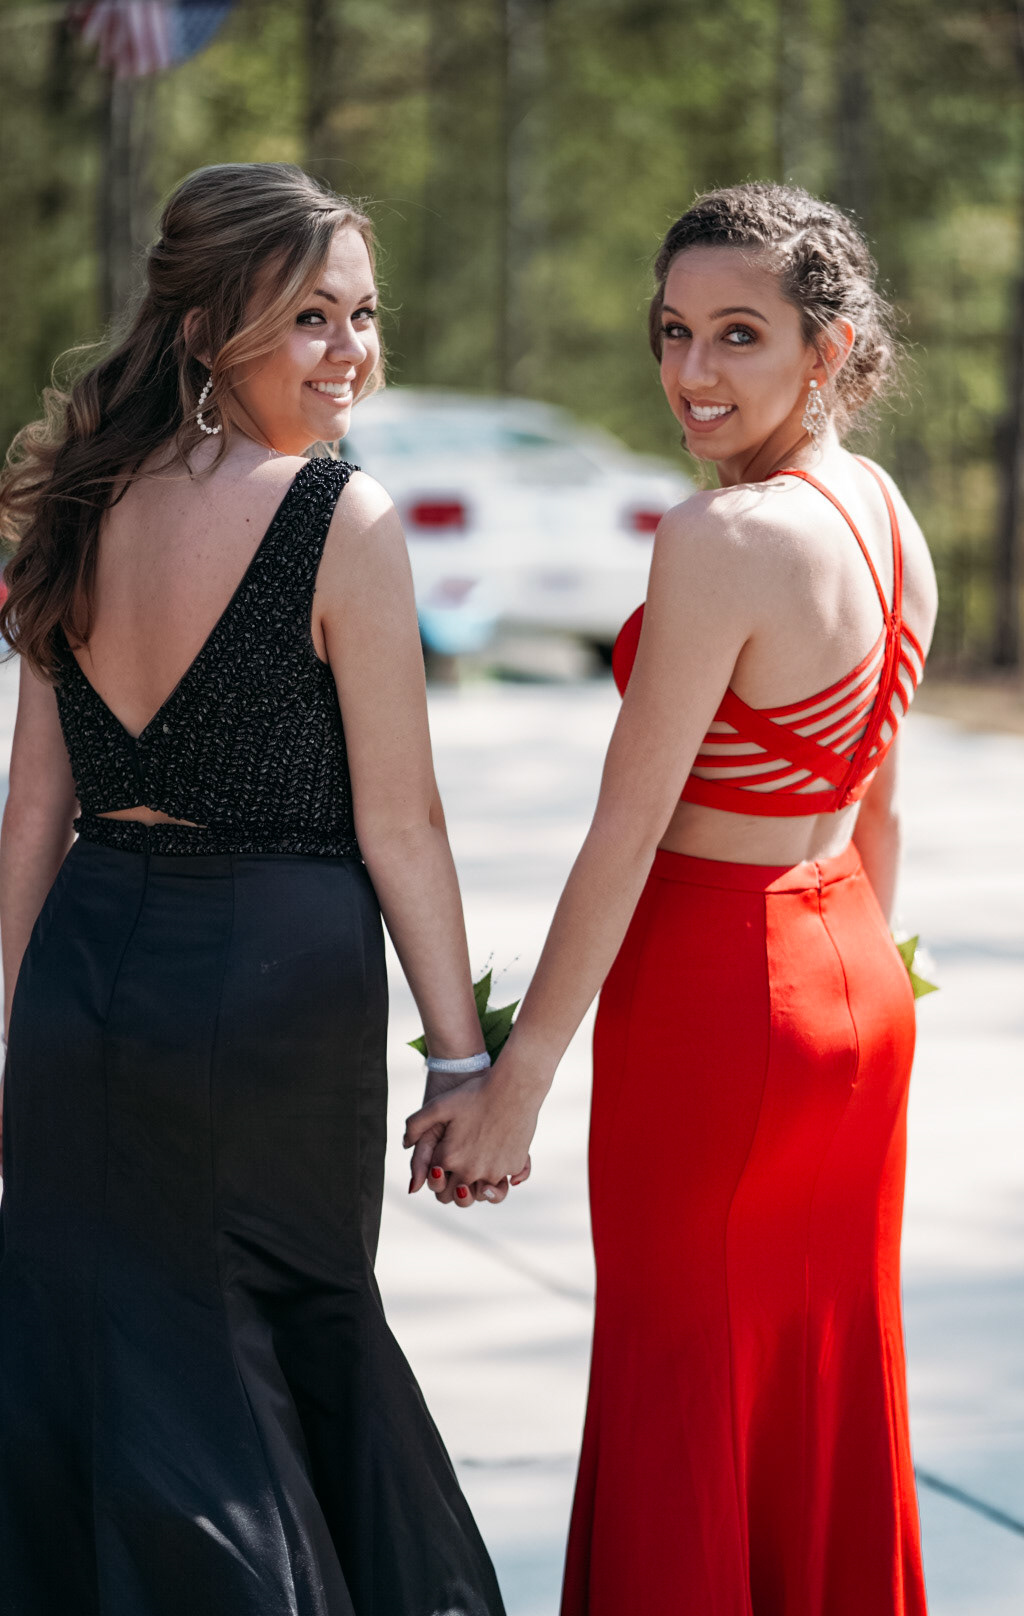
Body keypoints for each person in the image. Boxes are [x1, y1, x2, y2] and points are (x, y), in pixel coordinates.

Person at [406, 182, 938, 1615]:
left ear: (829, 350)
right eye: (674, 331)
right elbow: (881, 807)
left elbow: (627, 831)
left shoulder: (727, 537)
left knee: (682, 1385)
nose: (693, 372)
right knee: (822, 1375)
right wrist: (857, 999)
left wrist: (515, 1082)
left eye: (740, 335)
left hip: (722, 998)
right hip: (855, 985)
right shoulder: (886, 515)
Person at [0, 162, 508, 1616]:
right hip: (274, 997)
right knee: (283, 1342)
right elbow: (404, 822)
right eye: (308, 318)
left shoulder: (78, 502)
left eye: (363, 314)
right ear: (207, 329)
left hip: (87, 979)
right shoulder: (341, 517)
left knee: (113, 1362)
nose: (350, 351)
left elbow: (35, 813)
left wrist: (14, 1034)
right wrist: (462, 1060)